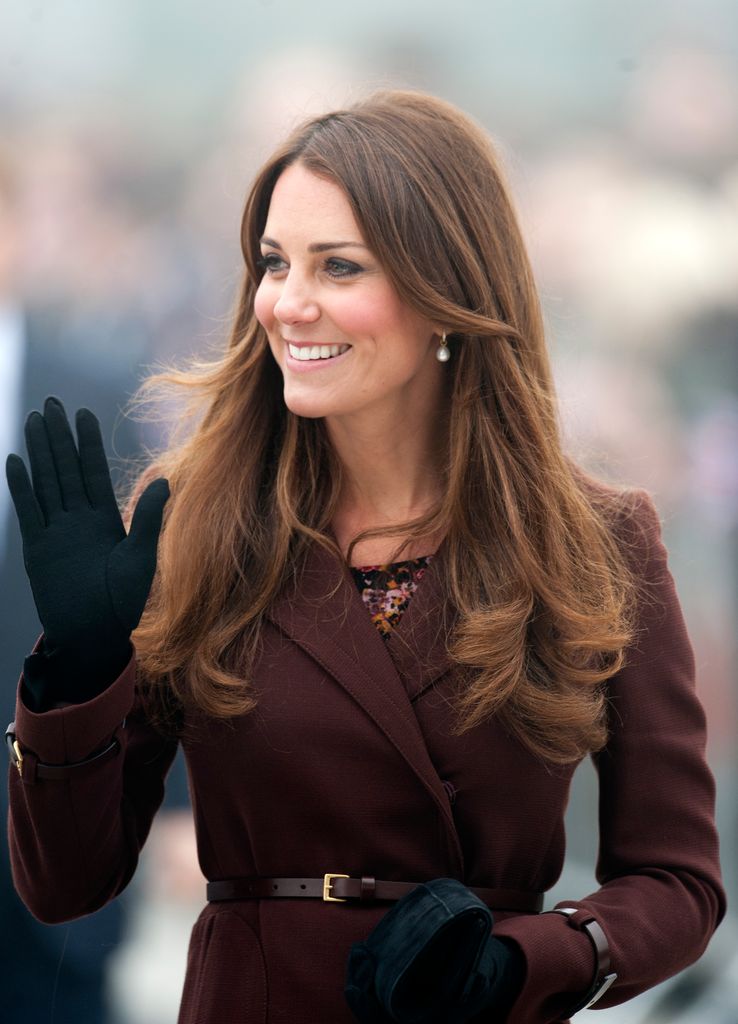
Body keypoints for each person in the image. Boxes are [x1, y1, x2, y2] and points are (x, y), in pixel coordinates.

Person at [4, 90, 725, 1024]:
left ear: (448, 294)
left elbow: (677, 882)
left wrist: (526, 959)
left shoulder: (598, 542)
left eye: (338, 266)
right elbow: (65, 886)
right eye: (272, 264)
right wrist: (78, 674)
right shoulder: (195, 527)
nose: (287, 303)